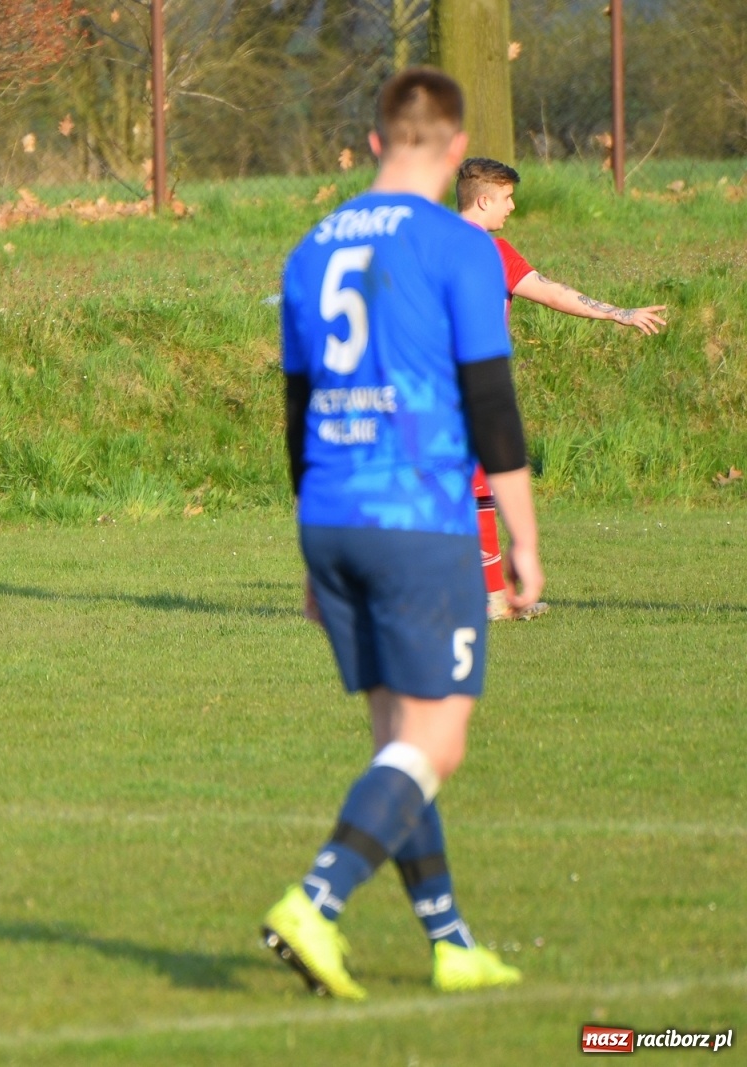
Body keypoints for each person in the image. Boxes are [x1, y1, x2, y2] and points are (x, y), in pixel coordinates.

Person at [260, 68, 544, 998]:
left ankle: (451, 941)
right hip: (418, 518)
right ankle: (315, 900)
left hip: (334, 515)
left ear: (376, 142)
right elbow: (491, 405)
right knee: (438, 742)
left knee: (397, 740)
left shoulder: (311, 246)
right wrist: (524, 541)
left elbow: (297, 411)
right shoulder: (456, 245)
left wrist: (310, 548)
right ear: (457, 151)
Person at [456, 156, 666, 622]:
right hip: (461, 392)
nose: (511, 207)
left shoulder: (436, 247)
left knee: (472, 492)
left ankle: (488, 597)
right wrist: (619, 313)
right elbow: (552, 292)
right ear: (485, 198)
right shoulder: (487, 253)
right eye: (507, 198)